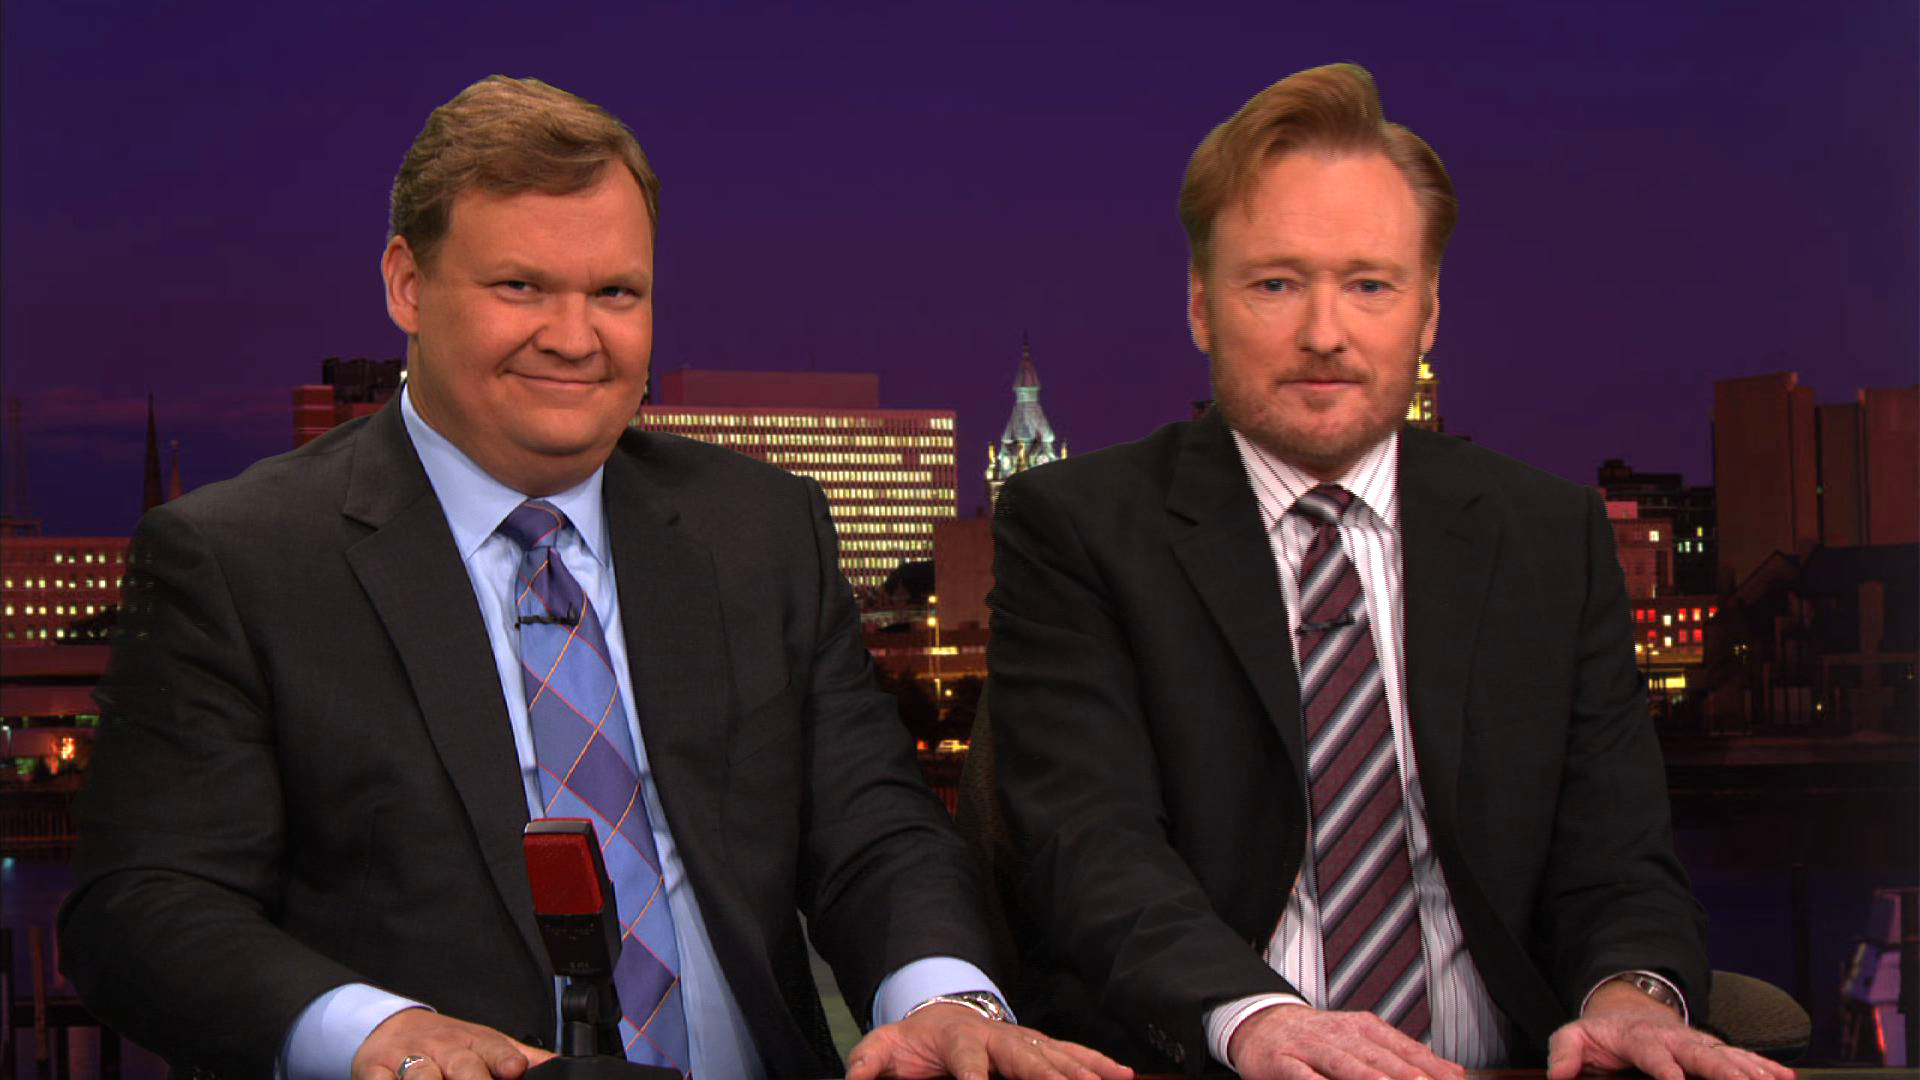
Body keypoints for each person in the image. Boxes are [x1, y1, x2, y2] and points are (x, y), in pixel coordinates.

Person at [59, 75, 1129, 1080]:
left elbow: (875, 829)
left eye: (615, 291)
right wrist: (380, 1036)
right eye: (520, 286)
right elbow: (143, 907)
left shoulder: (761, 529)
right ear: (407, 285)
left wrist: (944, 999)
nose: (574, 339)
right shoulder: (239, 559)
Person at [984, 63, 1794, 1080]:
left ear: (1429, 312)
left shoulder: (1547, 533)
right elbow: (1091, 852)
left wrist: (1631, 998)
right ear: (1200, 307)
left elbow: (1619, 859)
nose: (1325, 334)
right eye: (1275, 284)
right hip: (1212, 1061)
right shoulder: (1078, 528)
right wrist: (1259, 1023)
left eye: (1369, 285)